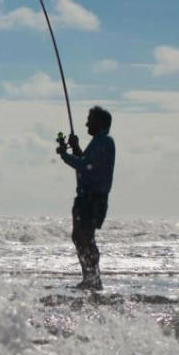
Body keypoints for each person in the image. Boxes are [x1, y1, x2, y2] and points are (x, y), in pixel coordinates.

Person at [56, 106, 115, 290]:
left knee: (85, 238)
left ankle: (93, 278)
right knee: (80, 237)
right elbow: (87, 162)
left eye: (90, 120)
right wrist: (75, 147)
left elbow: (85, 165)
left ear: (99, 122)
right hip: (89, 198)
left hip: (92, 199)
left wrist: (65, 155)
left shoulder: (104, 142)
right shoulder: (100, 142)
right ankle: (90, 277)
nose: (86, 123)